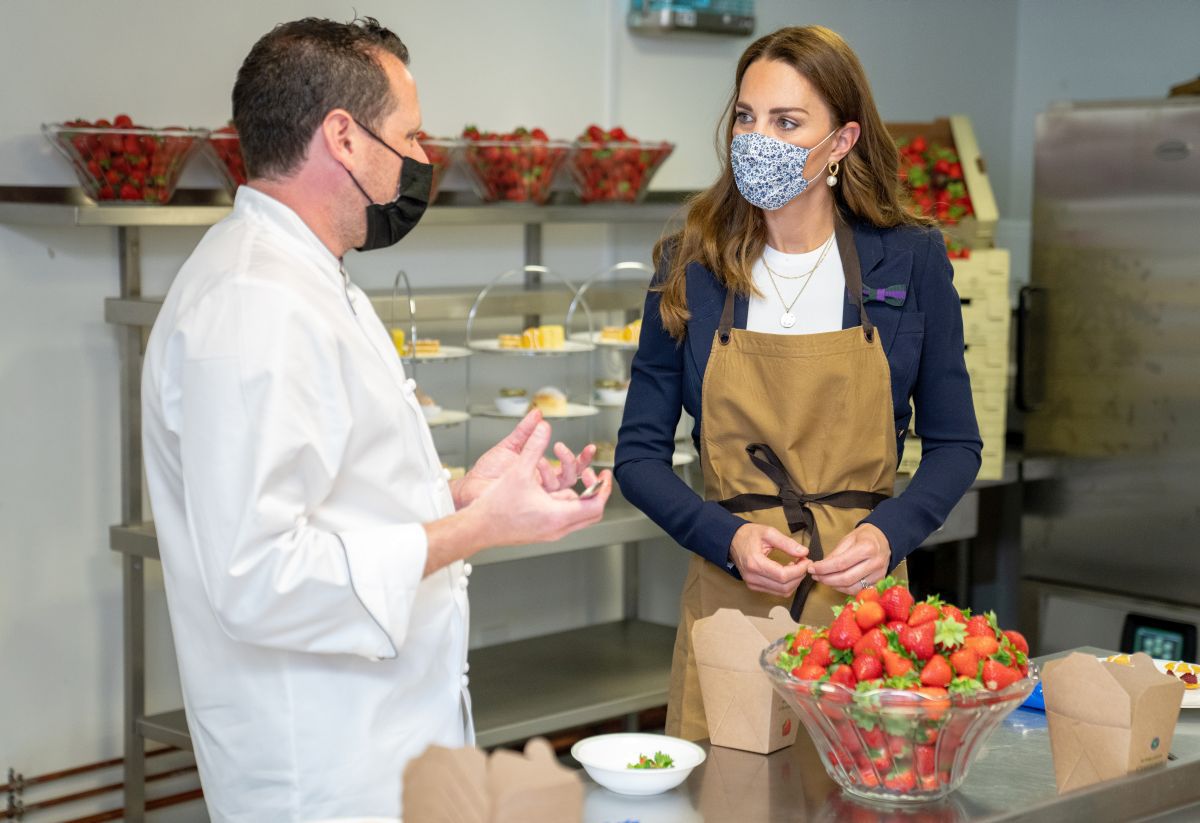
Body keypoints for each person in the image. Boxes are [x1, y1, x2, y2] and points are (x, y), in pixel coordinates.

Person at [140, 17, 612, 821]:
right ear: (345, 139)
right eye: (410, 134)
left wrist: (462, 496)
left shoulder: (311, 275)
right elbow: (259, 578)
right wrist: (478, 530)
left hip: (380, 746)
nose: (424, 159)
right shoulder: (255, 304)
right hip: (321, 771)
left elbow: (337, 497)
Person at [613, 25, 981, 740]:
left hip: (862, 607)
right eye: (747, 118)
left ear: (841, 142)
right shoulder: (688, 260)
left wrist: (890, 532)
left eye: (787, 123)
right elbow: (637, 456)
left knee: (853, 793)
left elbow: (957, 442)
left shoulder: (909, 259)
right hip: (731, 600)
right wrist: (725, 537)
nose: (758, 139)